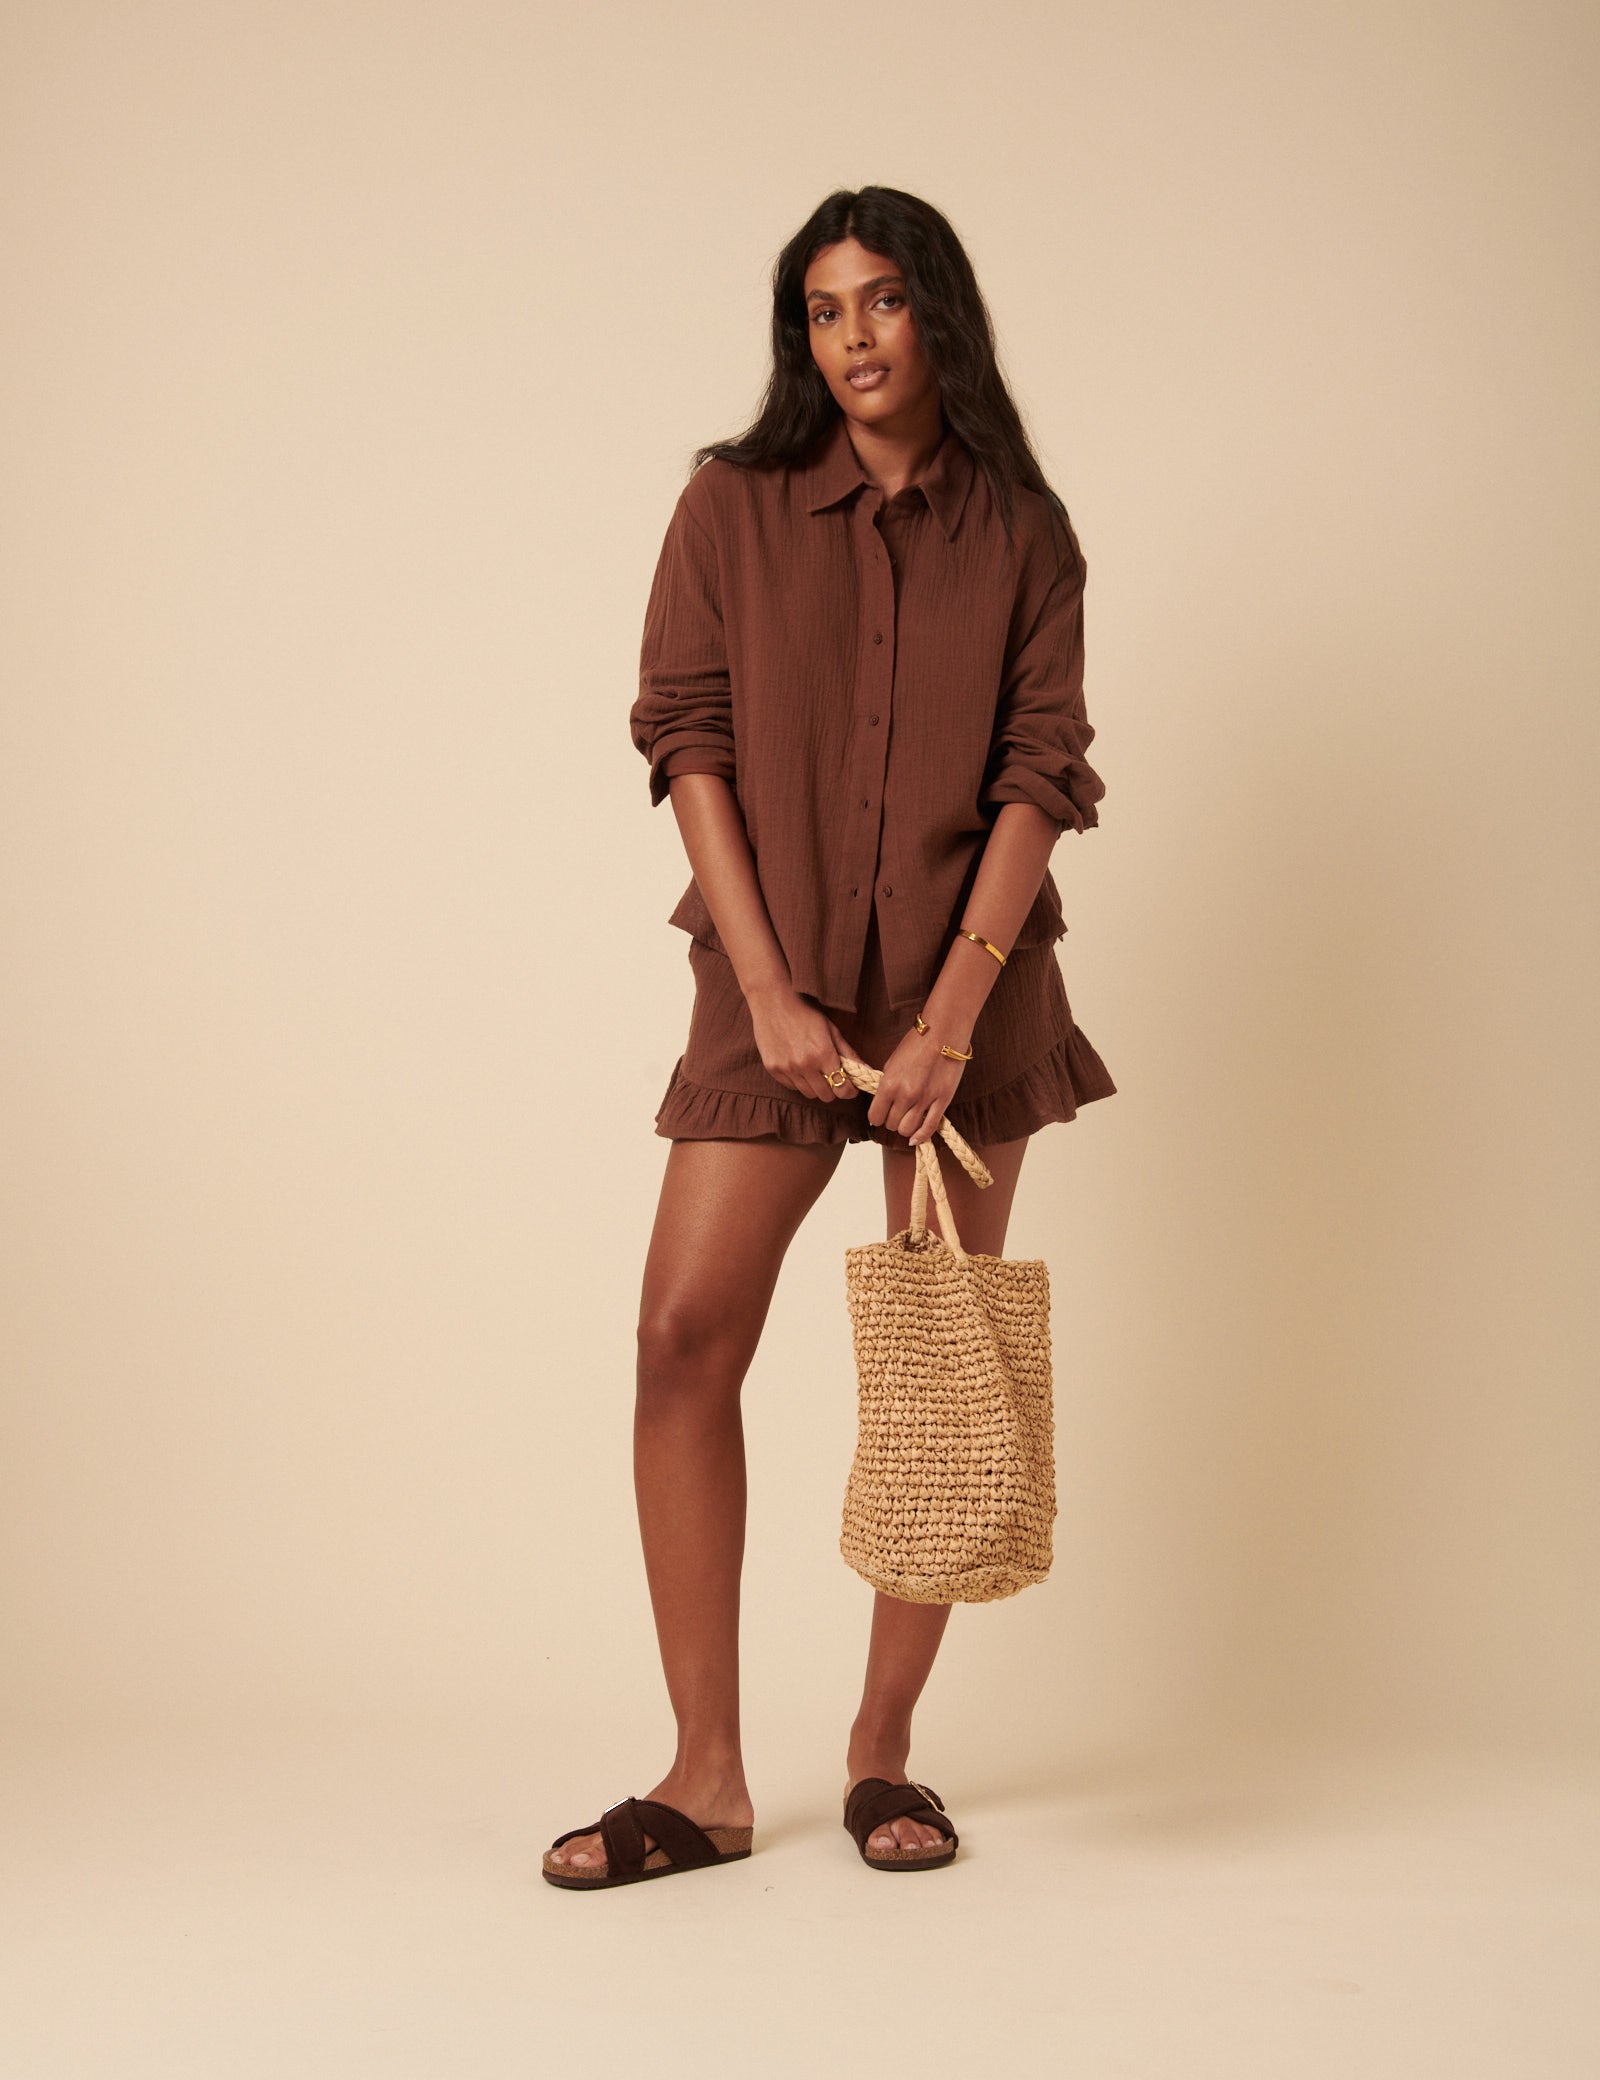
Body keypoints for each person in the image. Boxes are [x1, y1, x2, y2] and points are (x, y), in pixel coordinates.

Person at [543, 185, 1117, 1890]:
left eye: (882, 300)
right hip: (770, 982)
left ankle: (882, 1752)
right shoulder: (728, 507)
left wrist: (949, 1019)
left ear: (938, 312)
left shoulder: (1025, 533)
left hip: (969, 997)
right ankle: (706, 1780)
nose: (853, 336)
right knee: (680, 1335)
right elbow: (688, 738)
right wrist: (771, 991)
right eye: (822, 308)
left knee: (935, 1367)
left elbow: (1041, 773)